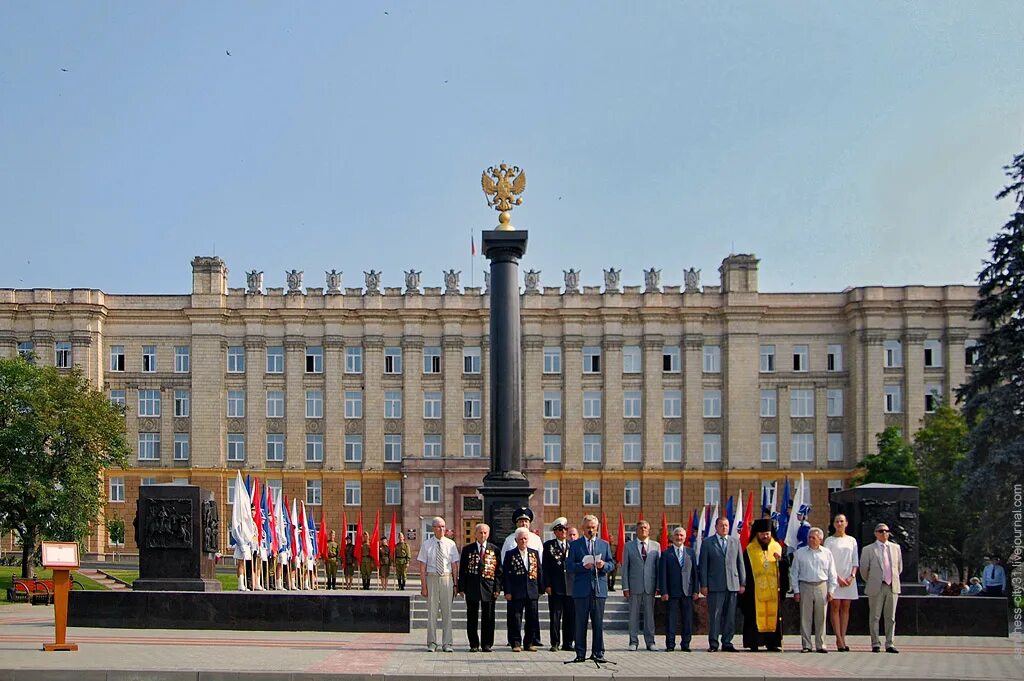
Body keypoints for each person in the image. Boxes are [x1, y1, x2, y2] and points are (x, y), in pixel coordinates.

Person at [566, 514, 615, 663]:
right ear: (582, 528)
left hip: (598, 589)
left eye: (593, 528)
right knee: (580, 623)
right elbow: (568, 566)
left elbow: (611, 564)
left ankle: (598, 653)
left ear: (597, 528)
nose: (591, 530)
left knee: (598, 623)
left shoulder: (604, 544)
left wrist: (603, 566)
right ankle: (580, 653)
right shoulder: (575, 545)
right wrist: (582, 566)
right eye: (588, 528)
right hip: (581, 590)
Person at [739, 518, 788, 652]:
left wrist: (782, 561)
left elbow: (785, 568)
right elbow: (744, 570)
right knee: (754, 616)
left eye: (767, 533)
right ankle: (754, 642)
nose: (765, 536)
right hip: (754, 592)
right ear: (756, 534)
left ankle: (772, 643)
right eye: (762, 534)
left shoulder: (777, 547)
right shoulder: (749, 550)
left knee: (773, 616)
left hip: (773, 591)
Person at [698, 516, 745, 652]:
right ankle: (713, 643)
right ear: (716, 527)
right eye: (721, 525)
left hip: (732, 584)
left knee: (730, 616)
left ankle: (727, 642)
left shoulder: (735, 542)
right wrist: (704, 585)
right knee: (715, 615)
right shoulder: (707, 543)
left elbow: (740, 563)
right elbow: (703, 565)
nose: (724, 528)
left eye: (726, 525)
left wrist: (742, 582)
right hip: (715, 585)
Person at [791, 527, 837, 653]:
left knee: (821, 616)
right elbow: (794, 573)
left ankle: (821, 644)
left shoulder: (827, 553)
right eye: (809, 538)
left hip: (822, 585)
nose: (811, 540)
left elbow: (832, 572)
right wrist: (796, 591)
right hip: (805, 585)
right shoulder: (800, 553)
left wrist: (831, 590)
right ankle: (806, 645)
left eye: (813, 538)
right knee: (805, 617)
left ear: (820, 539)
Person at [457, 522, 502, 653]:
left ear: (488, 534)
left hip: (489, 588)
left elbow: (498, 572)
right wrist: (461, 587)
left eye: (485, 533)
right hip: (472, 588)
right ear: (475, 534)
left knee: (488, 617)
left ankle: (487, 644)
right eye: (480, 532)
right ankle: (474, 644)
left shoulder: (495, 550)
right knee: (472, 617)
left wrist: (497, 589)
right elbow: (463, 570)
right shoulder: (467, 549)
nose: (482, 535)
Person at [417, 516, 460, 653]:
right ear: (433, 528)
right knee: (432, 612)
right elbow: (422, 567)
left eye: (443, 526)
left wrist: (456, 584)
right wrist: (423, 586)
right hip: (432, 578)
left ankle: (447, 643)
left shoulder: (451, 544)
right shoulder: (426, 544)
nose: (441, 529)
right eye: (438, 526)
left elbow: (454, 566)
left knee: (447, 612)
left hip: (447, 579)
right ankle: (432, 643)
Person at [860, 522, 903, 653]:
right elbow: (863, 570)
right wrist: (873, 580)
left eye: (886, 531)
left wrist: (891, 579)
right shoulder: (868, 549)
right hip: (876, 586)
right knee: (875, 617)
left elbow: (899, 567)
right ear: (875, 533)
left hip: (892, 586)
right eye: (880, 531)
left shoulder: (896, 548)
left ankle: (890, 643)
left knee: (891, 617)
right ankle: (875, 643)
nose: (883, 533)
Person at [621, 519, 661, 651]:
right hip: (634, 587)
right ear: (636, 530)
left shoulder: (656, 546)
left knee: (649, 616)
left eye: (645, 528)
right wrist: (625, 587)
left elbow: (658, 567)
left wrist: (658, 586)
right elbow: (625, 567)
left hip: (650, 586)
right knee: (633, 615)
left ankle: (650, 642)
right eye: (640, 528)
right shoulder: (628, 546)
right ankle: (633, 641)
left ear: (649, 530)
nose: (643, 530)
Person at [502, 527, 543, 652]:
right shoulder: (510, 554)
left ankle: (529, 642)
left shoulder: (534, 553)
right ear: (516, 540)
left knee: (532, 618)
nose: (523, 541)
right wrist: (507, 591)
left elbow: (539, 571)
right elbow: (506, 574)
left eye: (525, 538)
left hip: (532, 591)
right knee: (515, 618)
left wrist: (541, 588)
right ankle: (515, 643)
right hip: (516, 592)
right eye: (521, 539)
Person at [659, 526, 699, 652]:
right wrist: (664, 591)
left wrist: (696, 590)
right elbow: (663, 574)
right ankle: (670, 644)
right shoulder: (666, 554)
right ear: (672, 537)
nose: (679, 537)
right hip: (672, 592)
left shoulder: (691, 553)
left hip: (687, 591)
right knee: (671, 619)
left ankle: (686, 644)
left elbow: (695, 574)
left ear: (685, 537)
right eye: (677, 535)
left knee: (687, 619)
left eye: (681, 535)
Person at [823, 514, 858, 652]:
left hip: (849, 579)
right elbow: (827, 561)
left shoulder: (852, 540)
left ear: (846, 523)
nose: (839, 523)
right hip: (835, 578)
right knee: (835, 607)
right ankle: (838, 638)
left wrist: (852, 576)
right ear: (833, 524)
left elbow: (855, 560)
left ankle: (843, 636)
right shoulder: (829, 541)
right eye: (837, 521)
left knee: (846, 608)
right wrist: (837, 577)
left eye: (842, 521)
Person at [542, 517, 575, 652]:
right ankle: (555, 642)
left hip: (570, 587)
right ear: (555, 532)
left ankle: (568, 642)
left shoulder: (572, 545)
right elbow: (546, 567)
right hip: (555, 587)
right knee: (555, 616)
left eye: (565, 529)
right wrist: (547, 585)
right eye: (560, 530)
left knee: (570, 616)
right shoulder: (549, 545)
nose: (563, 532)